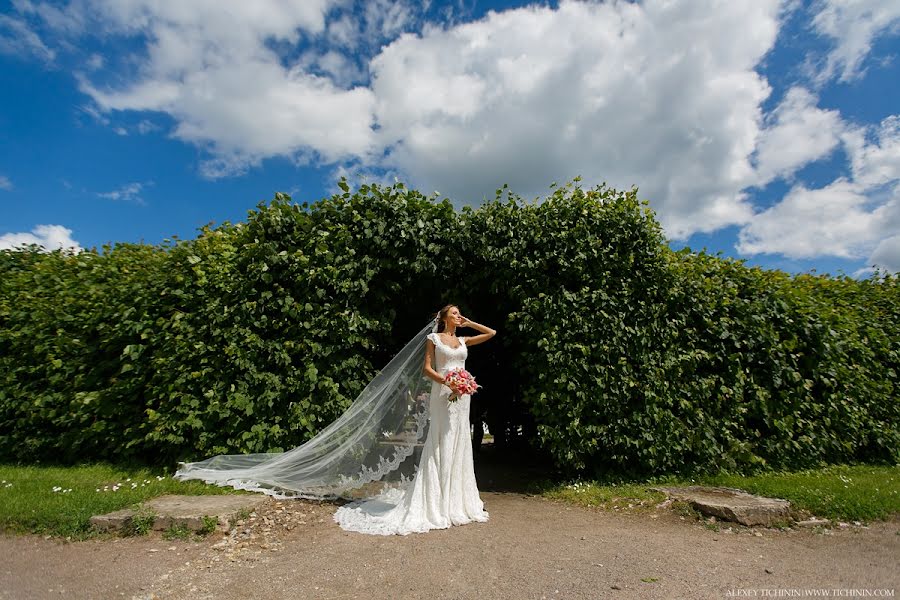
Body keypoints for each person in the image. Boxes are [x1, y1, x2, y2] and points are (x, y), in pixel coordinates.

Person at [333, 304, 496, 535]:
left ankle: (457, 502)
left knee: (459, 440)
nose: (458, 316)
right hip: (443, 393)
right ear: (443, 318)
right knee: (441, 440)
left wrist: (469, 324)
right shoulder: (434, 339)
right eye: (454, 314)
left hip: (462, 398)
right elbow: (427, 369)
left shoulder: (463, 341)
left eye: (460, 313)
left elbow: (491, 333)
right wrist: (447, 381)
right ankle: (436, 502)